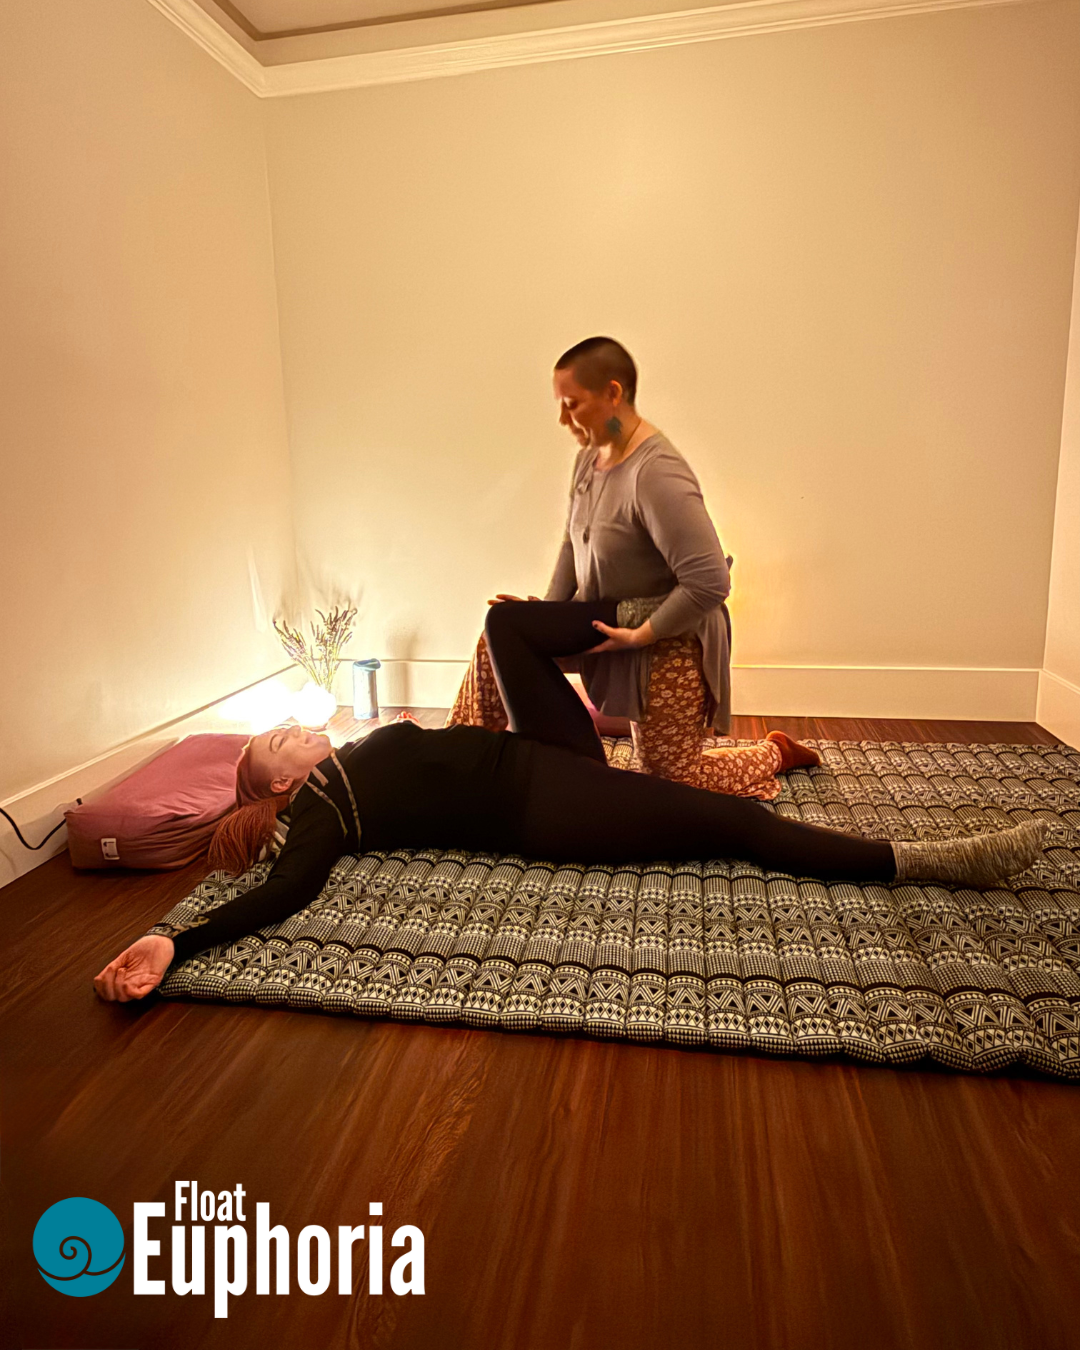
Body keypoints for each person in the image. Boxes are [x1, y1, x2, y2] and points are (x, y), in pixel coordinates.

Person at [93, 719, 1045, 1002]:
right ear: (274, 783)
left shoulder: (340, 768)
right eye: (282, 739)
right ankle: (922, 861)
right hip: (539, 804)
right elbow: (283, 892)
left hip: (534, 764)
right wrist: (176, 942)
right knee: (729, 823)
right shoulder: (319, 811)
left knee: (514, 627)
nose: (301, 730)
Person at [447, 336, 816, 801]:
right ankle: (450, 760)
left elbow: (710, 583)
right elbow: (570, 544)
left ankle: (775, 752)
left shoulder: (657, 474)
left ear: (613, 394)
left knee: (671, 781)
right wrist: (545, 617)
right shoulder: (589, 458)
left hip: (670, 641)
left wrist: (642, 634)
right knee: (497, 639)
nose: (562, 419)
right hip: (603, 621)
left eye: (572, 404)